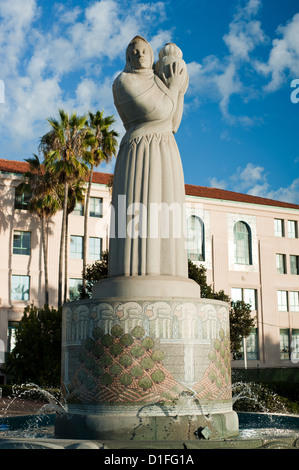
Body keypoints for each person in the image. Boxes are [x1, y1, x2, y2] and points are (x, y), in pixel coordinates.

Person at [109, 36, 189, 279]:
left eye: (144, 51)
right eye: (134, 52)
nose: (140, 55)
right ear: (128, 57)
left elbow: (173, 122)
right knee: (135, 214)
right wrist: (174, 87)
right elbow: (161, 110)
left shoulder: (157, 81)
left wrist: (178, 88)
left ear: (151, 55)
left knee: (167, 210)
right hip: (140, 148)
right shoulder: (123, 81)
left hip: (166, 147)